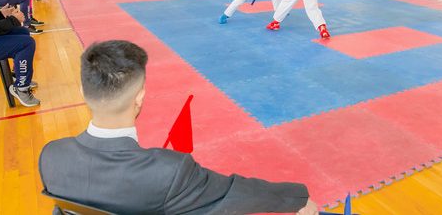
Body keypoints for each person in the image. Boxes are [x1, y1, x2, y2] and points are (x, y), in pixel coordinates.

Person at [39, 40, 317, 214]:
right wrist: (300, 197)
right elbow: (235, 193)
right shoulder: (168, 172)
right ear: (140, 97)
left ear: (82, 91)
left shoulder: (50, 157)